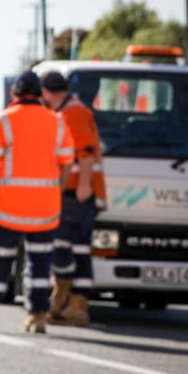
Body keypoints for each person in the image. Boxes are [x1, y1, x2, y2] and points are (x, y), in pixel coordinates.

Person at [0, 70, 74, 333]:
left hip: (9, 208)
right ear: (40, 94)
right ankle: (37, 318)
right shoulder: (57, 122)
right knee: (39, 266)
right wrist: (56, 192)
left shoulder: (3, 121)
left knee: (0, 262)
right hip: (46, 209)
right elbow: (67, 164)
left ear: (14, 93)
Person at [40, 70, 106, 326]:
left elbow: (86, 151)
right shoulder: (69, 111)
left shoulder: (72, 112)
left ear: (46, 92)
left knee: (66, 246)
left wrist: (85, 185)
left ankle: (70, 301)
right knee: (77, 248)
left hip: (78, 190)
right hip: (77, 189)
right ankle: (74, 304)